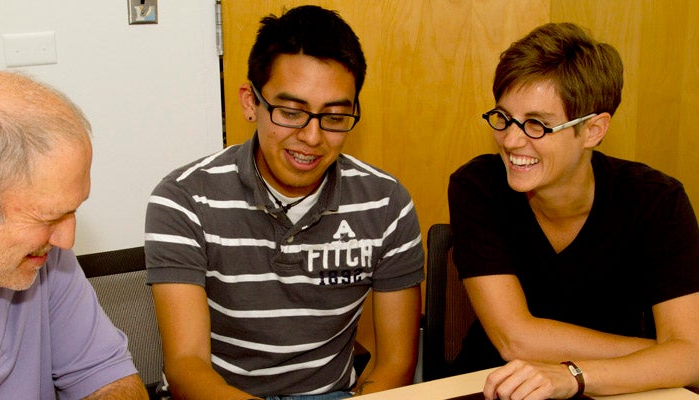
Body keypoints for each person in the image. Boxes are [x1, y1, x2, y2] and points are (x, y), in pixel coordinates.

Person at [145, 5, 424, 399]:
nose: (311, 137)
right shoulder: (184, 198)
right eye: (291, 112)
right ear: (250, 102)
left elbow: (395, 362)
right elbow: (187, 366)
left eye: (334, 116)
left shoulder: (386, 203)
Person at [448, 22, 699, 399]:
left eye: (537, 125)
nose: (511, 140)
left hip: (620, 391)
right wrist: (664, 355)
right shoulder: (478, 185)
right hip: (493, 385)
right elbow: (516, 340)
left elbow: (690, 355)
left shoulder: (657, 200)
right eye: (503, 118)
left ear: (594, 130)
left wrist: (575, 376)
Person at [0, 71, 148, 400]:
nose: (66, 239)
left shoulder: (45, 260)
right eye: (49, 217)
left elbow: (109, 380)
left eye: (73, 211)